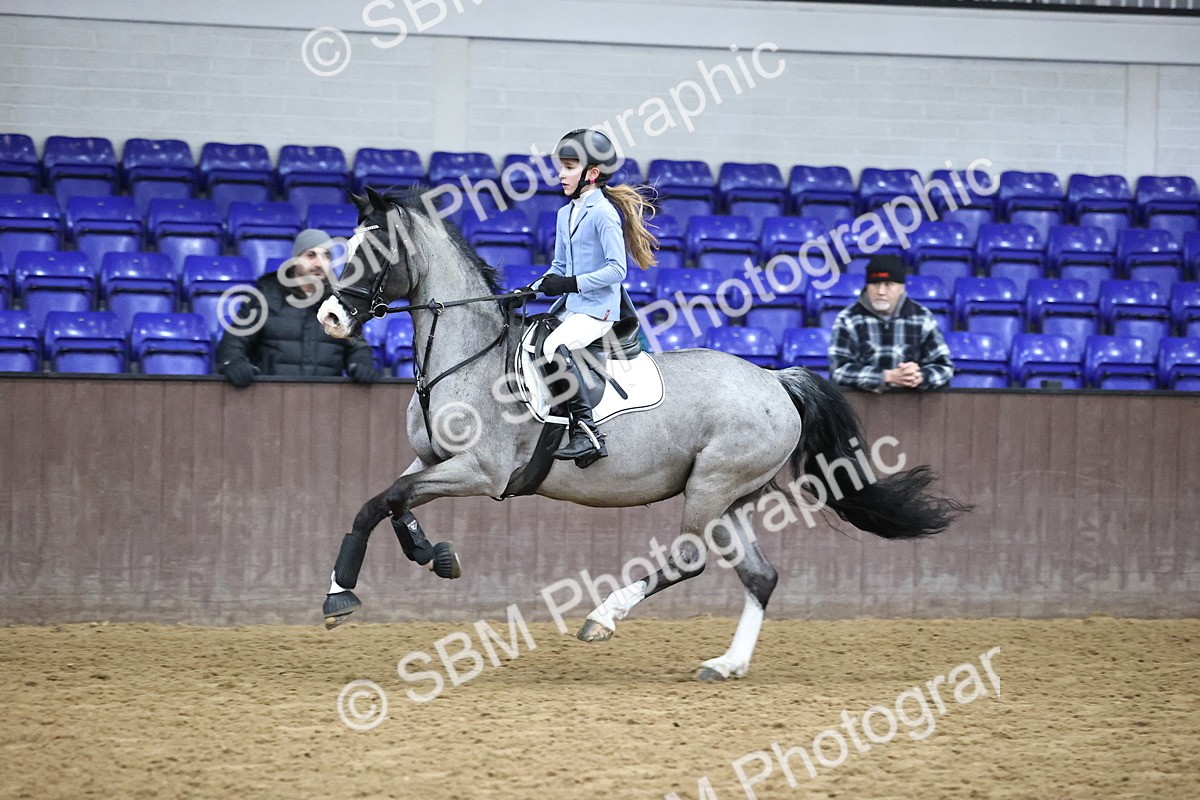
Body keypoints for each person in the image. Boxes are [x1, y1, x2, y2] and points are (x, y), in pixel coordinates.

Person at [534, 128, 658, 467]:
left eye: (569, 167)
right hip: (573, 307)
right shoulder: (565, 213)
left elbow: (618, 270)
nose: (561, 174)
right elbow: (558, 265)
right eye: (562, 166)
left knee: (552, 348)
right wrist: (531, 289)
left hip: (599, 310)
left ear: (591, 173)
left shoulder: (604, 213)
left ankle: (586, 433)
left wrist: (571, 283)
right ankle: (556, 415)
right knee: (532, 341)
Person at [217, 228, 379, 388]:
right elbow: (234, 341)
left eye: (326, 256)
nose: (319, 263)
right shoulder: (265, 296)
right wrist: (233, 362)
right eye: (311, 255)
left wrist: (361, 362)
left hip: (325, 401)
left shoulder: (340, 303)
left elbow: (358, 347)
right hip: (274, 399)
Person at [828, 254, 953, 392]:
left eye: (889, 285)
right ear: (867, 286)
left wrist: (920, 376)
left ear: (902, 288)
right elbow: (838, 371)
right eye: (875, 284)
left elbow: (945, 368)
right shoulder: (848, 318)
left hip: (912, 407)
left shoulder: (922, 318)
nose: (881, 291)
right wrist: (886, 376)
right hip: (860, 406)